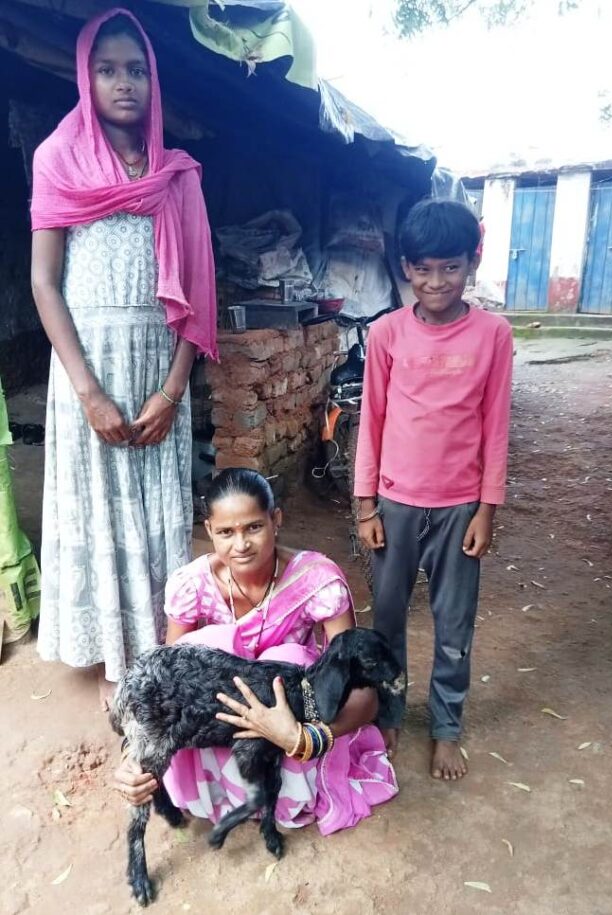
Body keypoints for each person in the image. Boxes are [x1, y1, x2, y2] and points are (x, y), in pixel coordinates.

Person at [30, 8, 217, 708]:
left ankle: (159, 648)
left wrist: (172, 392)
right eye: (107, 70)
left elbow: (197, 290)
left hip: (159, 365)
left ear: (153, 80)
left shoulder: (176, 174)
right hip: (88, 366)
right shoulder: (58, 159)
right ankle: (116, 660)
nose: (124, 82)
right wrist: (88, 392)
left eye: (136, 70)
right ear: (86, 76)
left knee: (157, 506)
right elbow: (44, 282)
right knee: (101, 510)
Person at [114, 468, 397, 834]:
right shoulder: (191, 585)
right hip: (221, 716)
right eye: (226, 532)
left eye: (253, 527)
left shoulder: (316, 582)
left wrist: (303, 738)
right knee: (208, 645)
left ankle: (284, 792)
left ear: (276, 520)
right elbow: (162, 687)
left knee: (291, 661)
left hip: (290, 715)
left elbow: (363, 695)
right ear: (209, 530)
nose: (241, 545)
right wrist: (131, 758)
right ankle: (216, 791)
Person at [354, 199, 513, 781]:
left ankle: (446, 726)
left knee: (454, 624)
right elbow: (371, 421)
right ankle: (389, 711)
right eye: (422, 269)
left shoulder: (493, 335)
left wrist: (486, 510)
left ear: (472, 262)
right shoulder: (386, 333)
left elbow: (495, 426)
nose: (436, 282)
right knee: (387, 620)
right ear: (406, 268)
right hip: (394, 504)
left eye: (450, 267)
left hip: (459, 508)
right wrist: (365, 505)